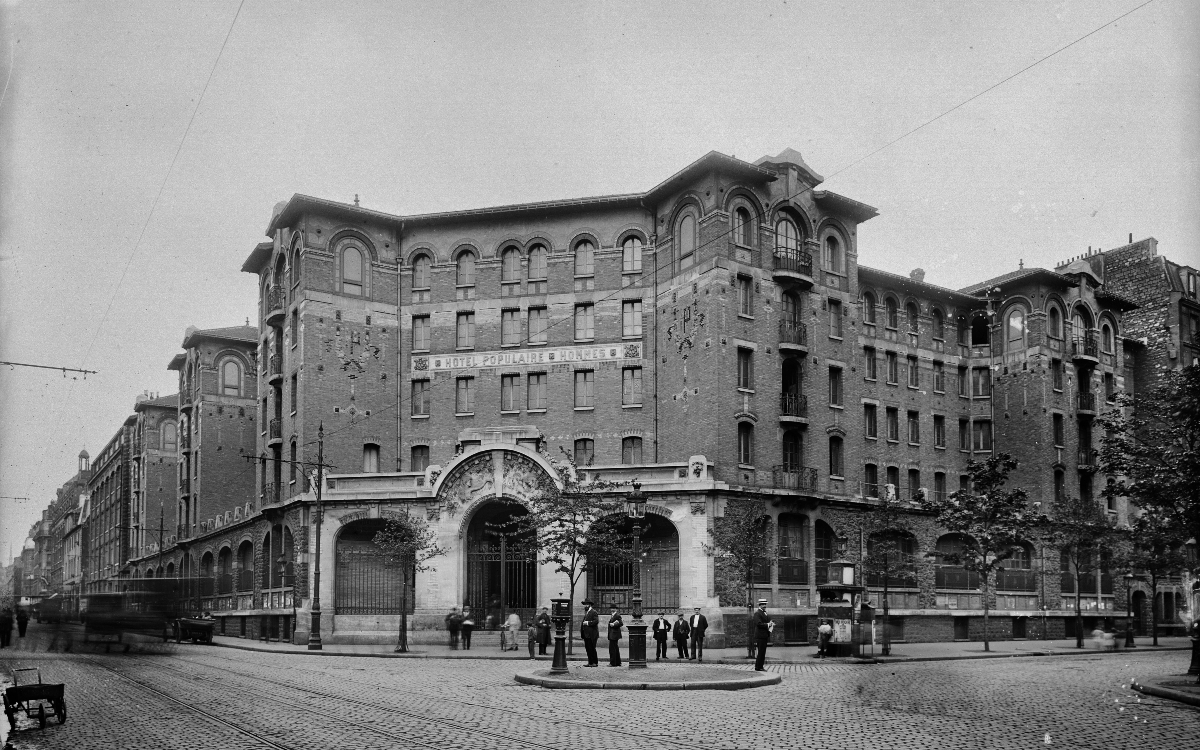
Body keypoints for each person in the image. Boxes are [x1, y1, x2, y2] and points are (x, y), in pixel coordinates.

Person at [752, 599, 774, 671]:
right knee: (761, 652)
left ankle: (760, 666)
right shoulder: (757, 613)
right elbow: (758, 624)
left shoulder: (764, 613)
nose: (764, 605)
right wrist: (768, 624)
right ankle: (758, 667)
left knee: (762, 652)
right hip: (760, 636)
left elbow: (766, 621)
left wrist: (771, 623)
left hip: (764, 635)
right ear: (760, 605)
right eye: (763, 604)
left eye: (765, 604)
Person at [580, 600, 600, 667]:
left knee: (592, 648)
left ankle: (594, 662)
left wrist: (587, 623)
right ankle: (590, 662)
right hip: (586, 634)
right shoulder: (587, 612)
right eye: (585, 604)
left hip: (592, 634)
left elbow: (596, 621)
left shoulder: (593, 612)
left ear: (590, 605)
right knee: (588, 648)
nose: (585, 606)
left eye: (586, 604)